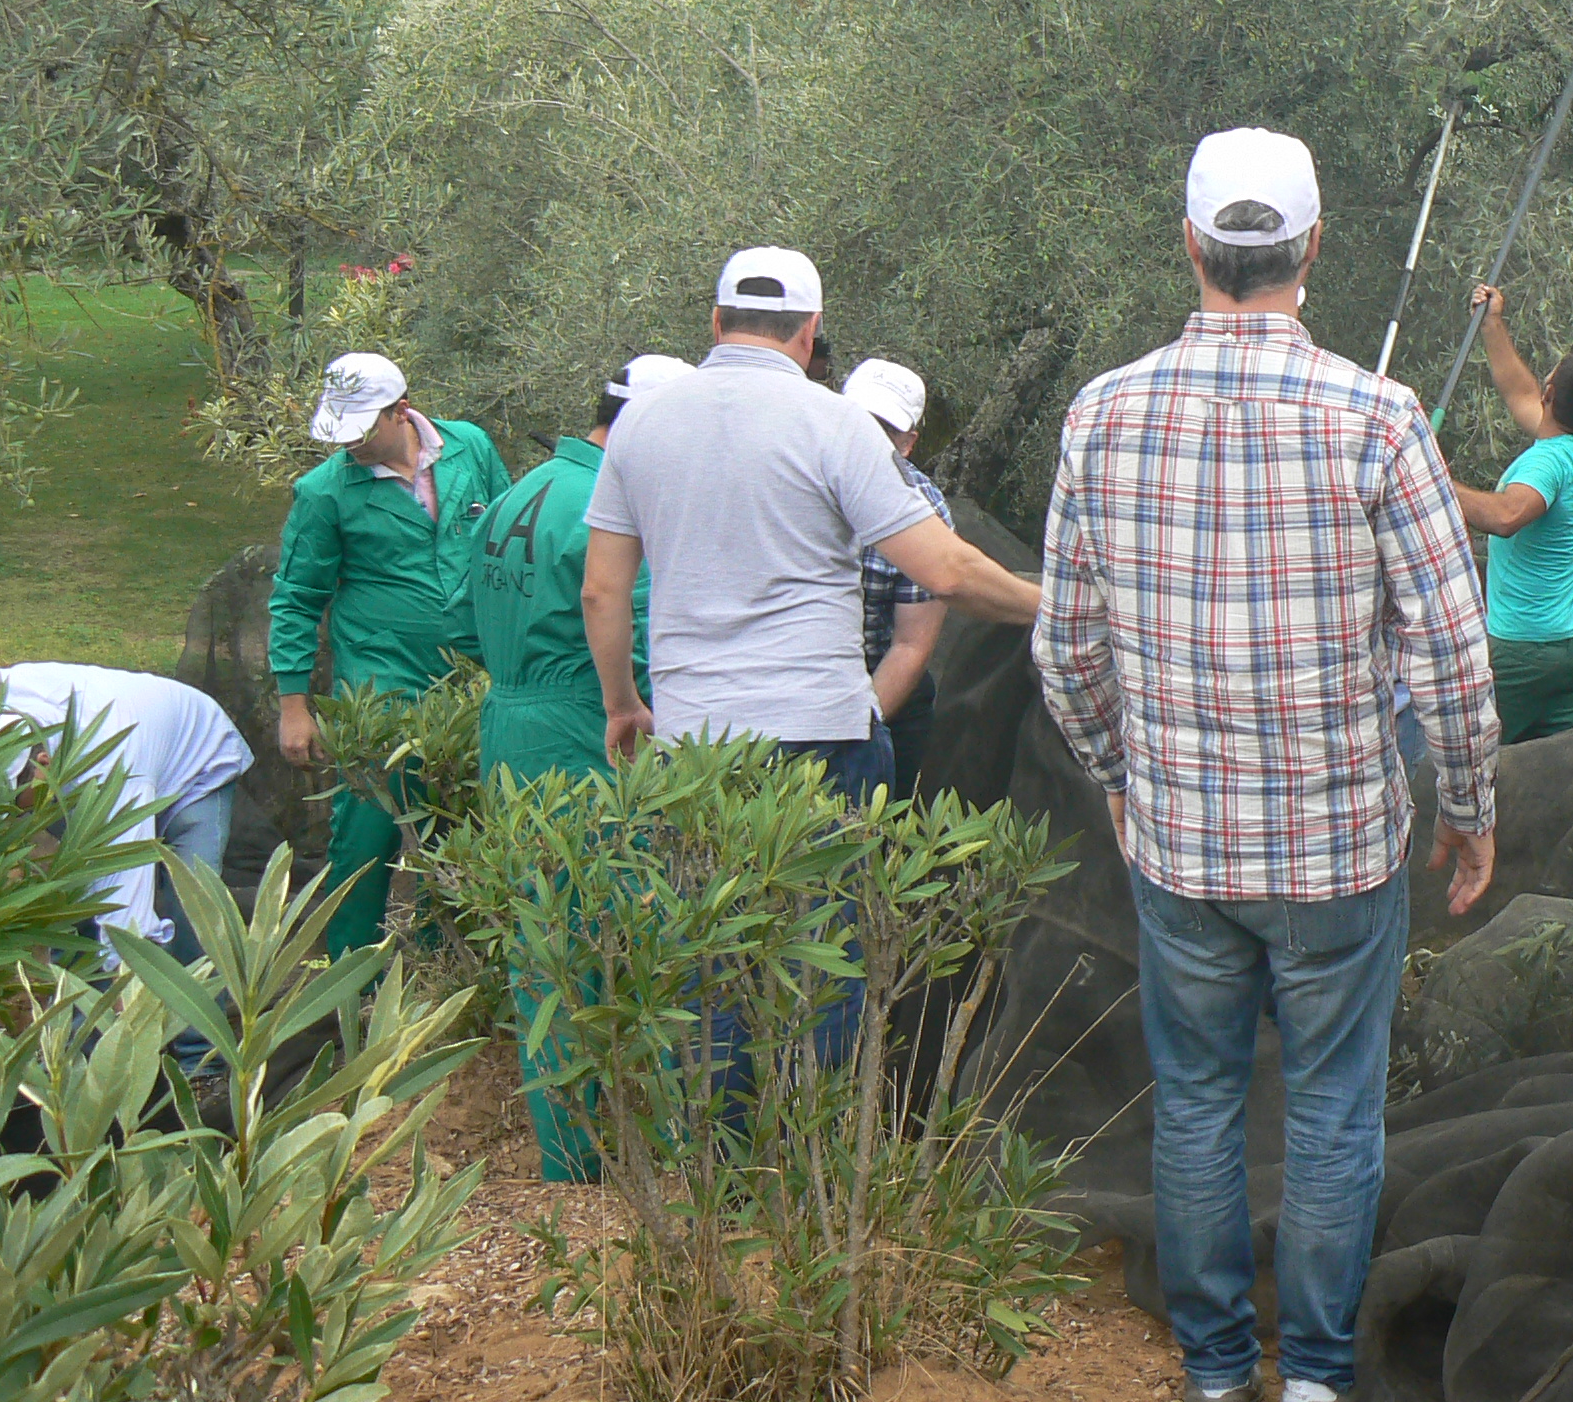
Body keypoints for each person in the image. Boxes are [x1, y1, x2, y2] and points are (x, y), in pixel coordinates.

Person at [1034, 127, 1498, 1402]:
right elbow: (1454, 652)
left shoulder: (1103, 414)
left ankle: (1216, 1368)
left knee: (1192, 1105)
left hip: (1181, 848)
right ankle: (1320, 1377)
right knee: (1334, 1113)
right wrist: (1466, 806)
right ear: (1313, 246)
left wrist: (1120, 777)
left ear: (1189, 244)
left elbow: (1065, 648)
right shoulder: (1379, 416)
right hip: (1339, 849)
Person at [579, 247, 1038, 803]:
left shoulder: (638, 424)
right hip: (821, 730)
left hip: (694, 733)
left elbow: (602, 592)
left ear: (717, 322)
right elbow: (947, 573)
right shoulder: (836, 423)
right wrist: (1062, 605)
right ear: (811, 329)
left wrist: (623, 705)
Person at [471, 349, 690, 1181]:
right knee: (636, 929)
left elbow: (461, 617)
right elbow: (626, 618)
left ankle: (566, 1157)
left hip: (506, 724)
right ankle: (664, 1156)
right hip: (584, 723)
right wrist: (629, 704)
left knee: (545, 944)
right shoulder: (609, 499)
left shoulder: (521, 490)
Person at [268, 351, 510, 956]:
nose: (347, 444)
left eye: (360, 429)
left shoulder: (470, 448)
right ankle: (350, 987)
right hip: (381, 683)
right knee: (367, 836)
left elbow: (508, 536)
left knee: (458, 827)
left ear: (400, 411)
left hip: (474, 676)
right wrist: (293, 706)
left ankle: (448, 976)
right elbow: (295, 598)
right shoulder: (326, 493)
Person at [0, 662, 252, 964]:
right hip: (111, 741)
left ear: (44, 764)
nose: (10, 815)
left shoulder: (113, 775)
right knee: (76, 897)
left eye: (13, 801)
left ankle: (199, 1004)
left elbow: (125, 913)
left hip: (194, 759)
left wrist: (126, 986)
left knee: (193, 902)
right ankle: (75, 1002)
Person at [1445, 284, 1573, 744]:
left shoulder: (1547, 462)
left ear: (1552, 391)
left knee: (1486, 769)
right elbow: (1519, 390)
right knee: (1555, 772)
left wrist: (1435, 482)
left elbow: (1506, 515)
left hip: (1522, 649)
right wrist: (1492, 324)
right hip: (1567, 645)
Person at [842, 356, 954, 800]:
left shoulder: (925, 509)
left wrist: (853, 733)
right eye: (857, 418)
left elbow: (911, 646)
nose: (866, 435)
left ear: (907, 443)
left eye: (883, 428)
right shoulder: (790, 476)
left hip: (882, 683)